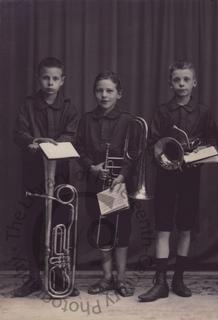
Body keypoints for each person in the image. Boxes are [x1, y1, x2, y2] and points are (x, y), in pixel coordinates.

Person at [138, 61, 217, 302]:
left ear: (194, 83)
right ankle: (160, 281)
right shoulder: (162, 111)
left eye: (186, 80)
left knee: (185, 227)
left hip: (191, 175)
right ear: (170, 83)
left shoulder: (203, 112)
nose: (181, 84)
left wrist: (201, 151)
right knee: (163, 227)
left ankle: (178, 279)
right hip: (166, 175)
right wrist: (165, 158)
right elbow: (153, 143)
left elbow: (214, 140)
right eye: (176, 80)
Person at [12, 57, 79, 297]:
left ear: (62, 81)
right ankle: (33, 277)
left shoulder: (69, 108)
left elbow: (72, 135)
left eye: (55, 78)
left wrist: (54, 143)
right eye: (45, 78)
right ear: (38, 79)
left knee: (59, 225)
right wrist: (33, 142)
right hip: (33, 176)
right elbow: (19, 132)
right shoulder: (28, 105)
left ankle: (58, 275)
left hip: (59, 175)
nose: (50, 82)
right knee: (32, 225)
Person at [76, 71, 135, 297]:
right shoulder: (86, 120)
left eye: (109, 91)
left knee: (120, 232)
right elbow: (79, 149)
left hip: (117, 185)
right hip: (95, 182)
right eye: (100, 90)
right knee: (102, 231)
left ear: (119, 94)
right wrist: (91, 167)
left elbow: (134, 153)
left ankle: (121, 278)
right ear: (94, 93)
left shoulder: (128, 121)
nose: (104, 95)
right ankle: (106, 277)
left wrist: (122, 175)